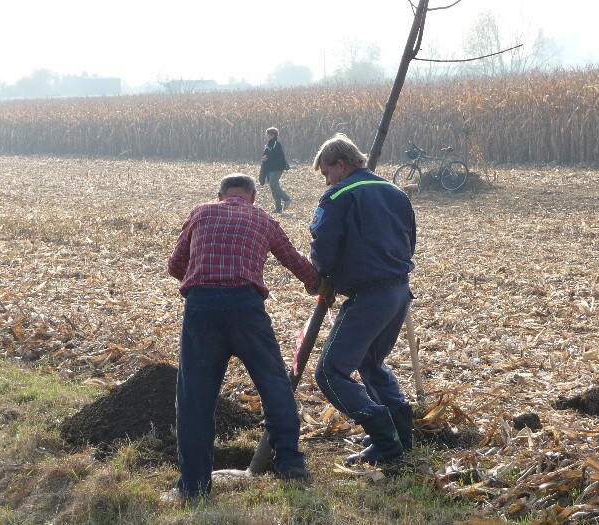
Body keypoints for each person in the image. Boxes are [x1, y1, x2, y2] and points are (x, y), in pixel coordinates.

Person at [166, 173, 322, 501]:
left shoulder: (201, 212)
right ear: (253, 195)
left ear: (220, 193)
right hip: (246, 306)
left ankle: (192, 487)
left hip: (202, 307)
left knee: (195, 398)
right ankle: (291, 463)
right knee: (274, 383)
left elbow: (175, 265)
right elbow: (295, 262)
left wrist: (202, 277)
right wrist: (319, 284)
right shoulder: (264, 219)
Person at [308, 133, 417, 466]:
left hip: (369, 294)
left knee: (329, 371)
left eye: (326, 173)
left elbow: (323, 244)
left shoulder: (338, 195)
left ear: (341, 165)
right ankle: (402, 434)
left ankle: (386, 442)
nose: (326, 180)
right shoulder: (396, 192)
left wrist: (322, 276)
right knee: (370, 364)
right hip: (399, 291)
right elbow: (410, 239)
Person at [260, 127, 291, 213]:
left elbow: (276, 154)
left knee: (273, 184)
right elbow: (266, 155)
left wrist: (267, 156)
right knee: (273, 187)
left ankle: (287, 199)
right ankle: (278, 208)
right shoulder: (267, 145)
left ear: (273, 135)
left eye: (268, 134)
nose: (267, 136)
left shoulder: (277, 144)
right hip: (270, 169)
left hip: (277, 168)